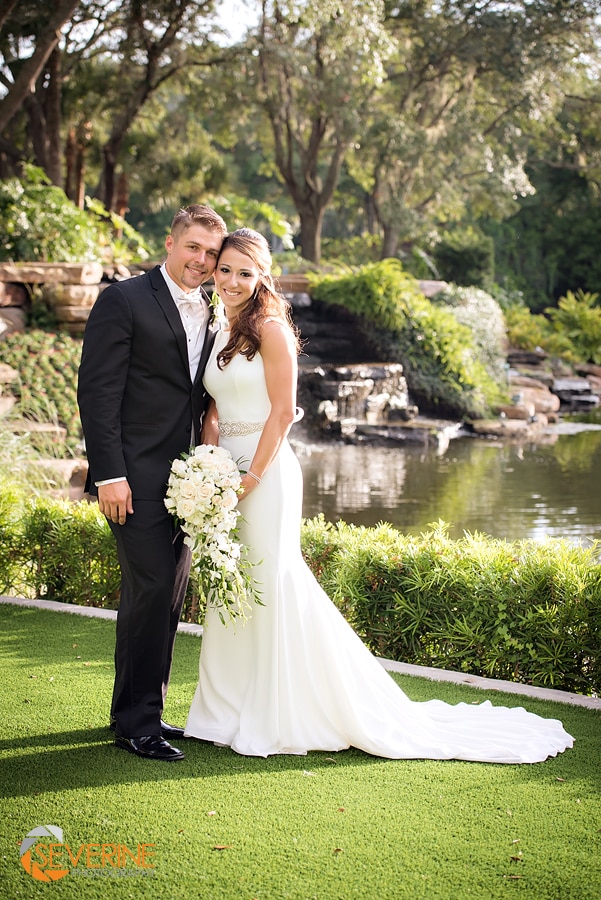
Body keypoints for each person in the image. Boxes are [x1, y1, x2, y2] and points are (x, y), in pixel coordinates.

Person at [184, 227, 574, 763]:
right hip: (223, 474)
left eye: (243, 273)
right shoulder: (218, 324)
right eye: (224, 269)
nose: (230, 281)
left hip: (267, 474)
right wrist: (210, 462)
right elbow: (212, 405)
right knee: (231, 585)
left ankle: (279, 712)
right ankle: (221, 712)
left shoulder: (272, 330)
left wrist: (248, 477)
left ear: (263, 276)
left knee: (270, 582)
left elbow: (281, 414)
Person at [77, 204, 227, 762]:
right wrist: (109, 475)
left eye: (211, 254)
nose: (202, 261)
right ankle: (138, 725)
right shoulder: (124, 299)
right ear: (170, 243)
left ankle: (142, 711)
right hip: (132, 479)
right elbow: (97, 393)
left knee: (166, 597)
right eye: (194, 248)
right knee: (153, 588)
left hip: (190, 483)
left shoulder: (214, 308)